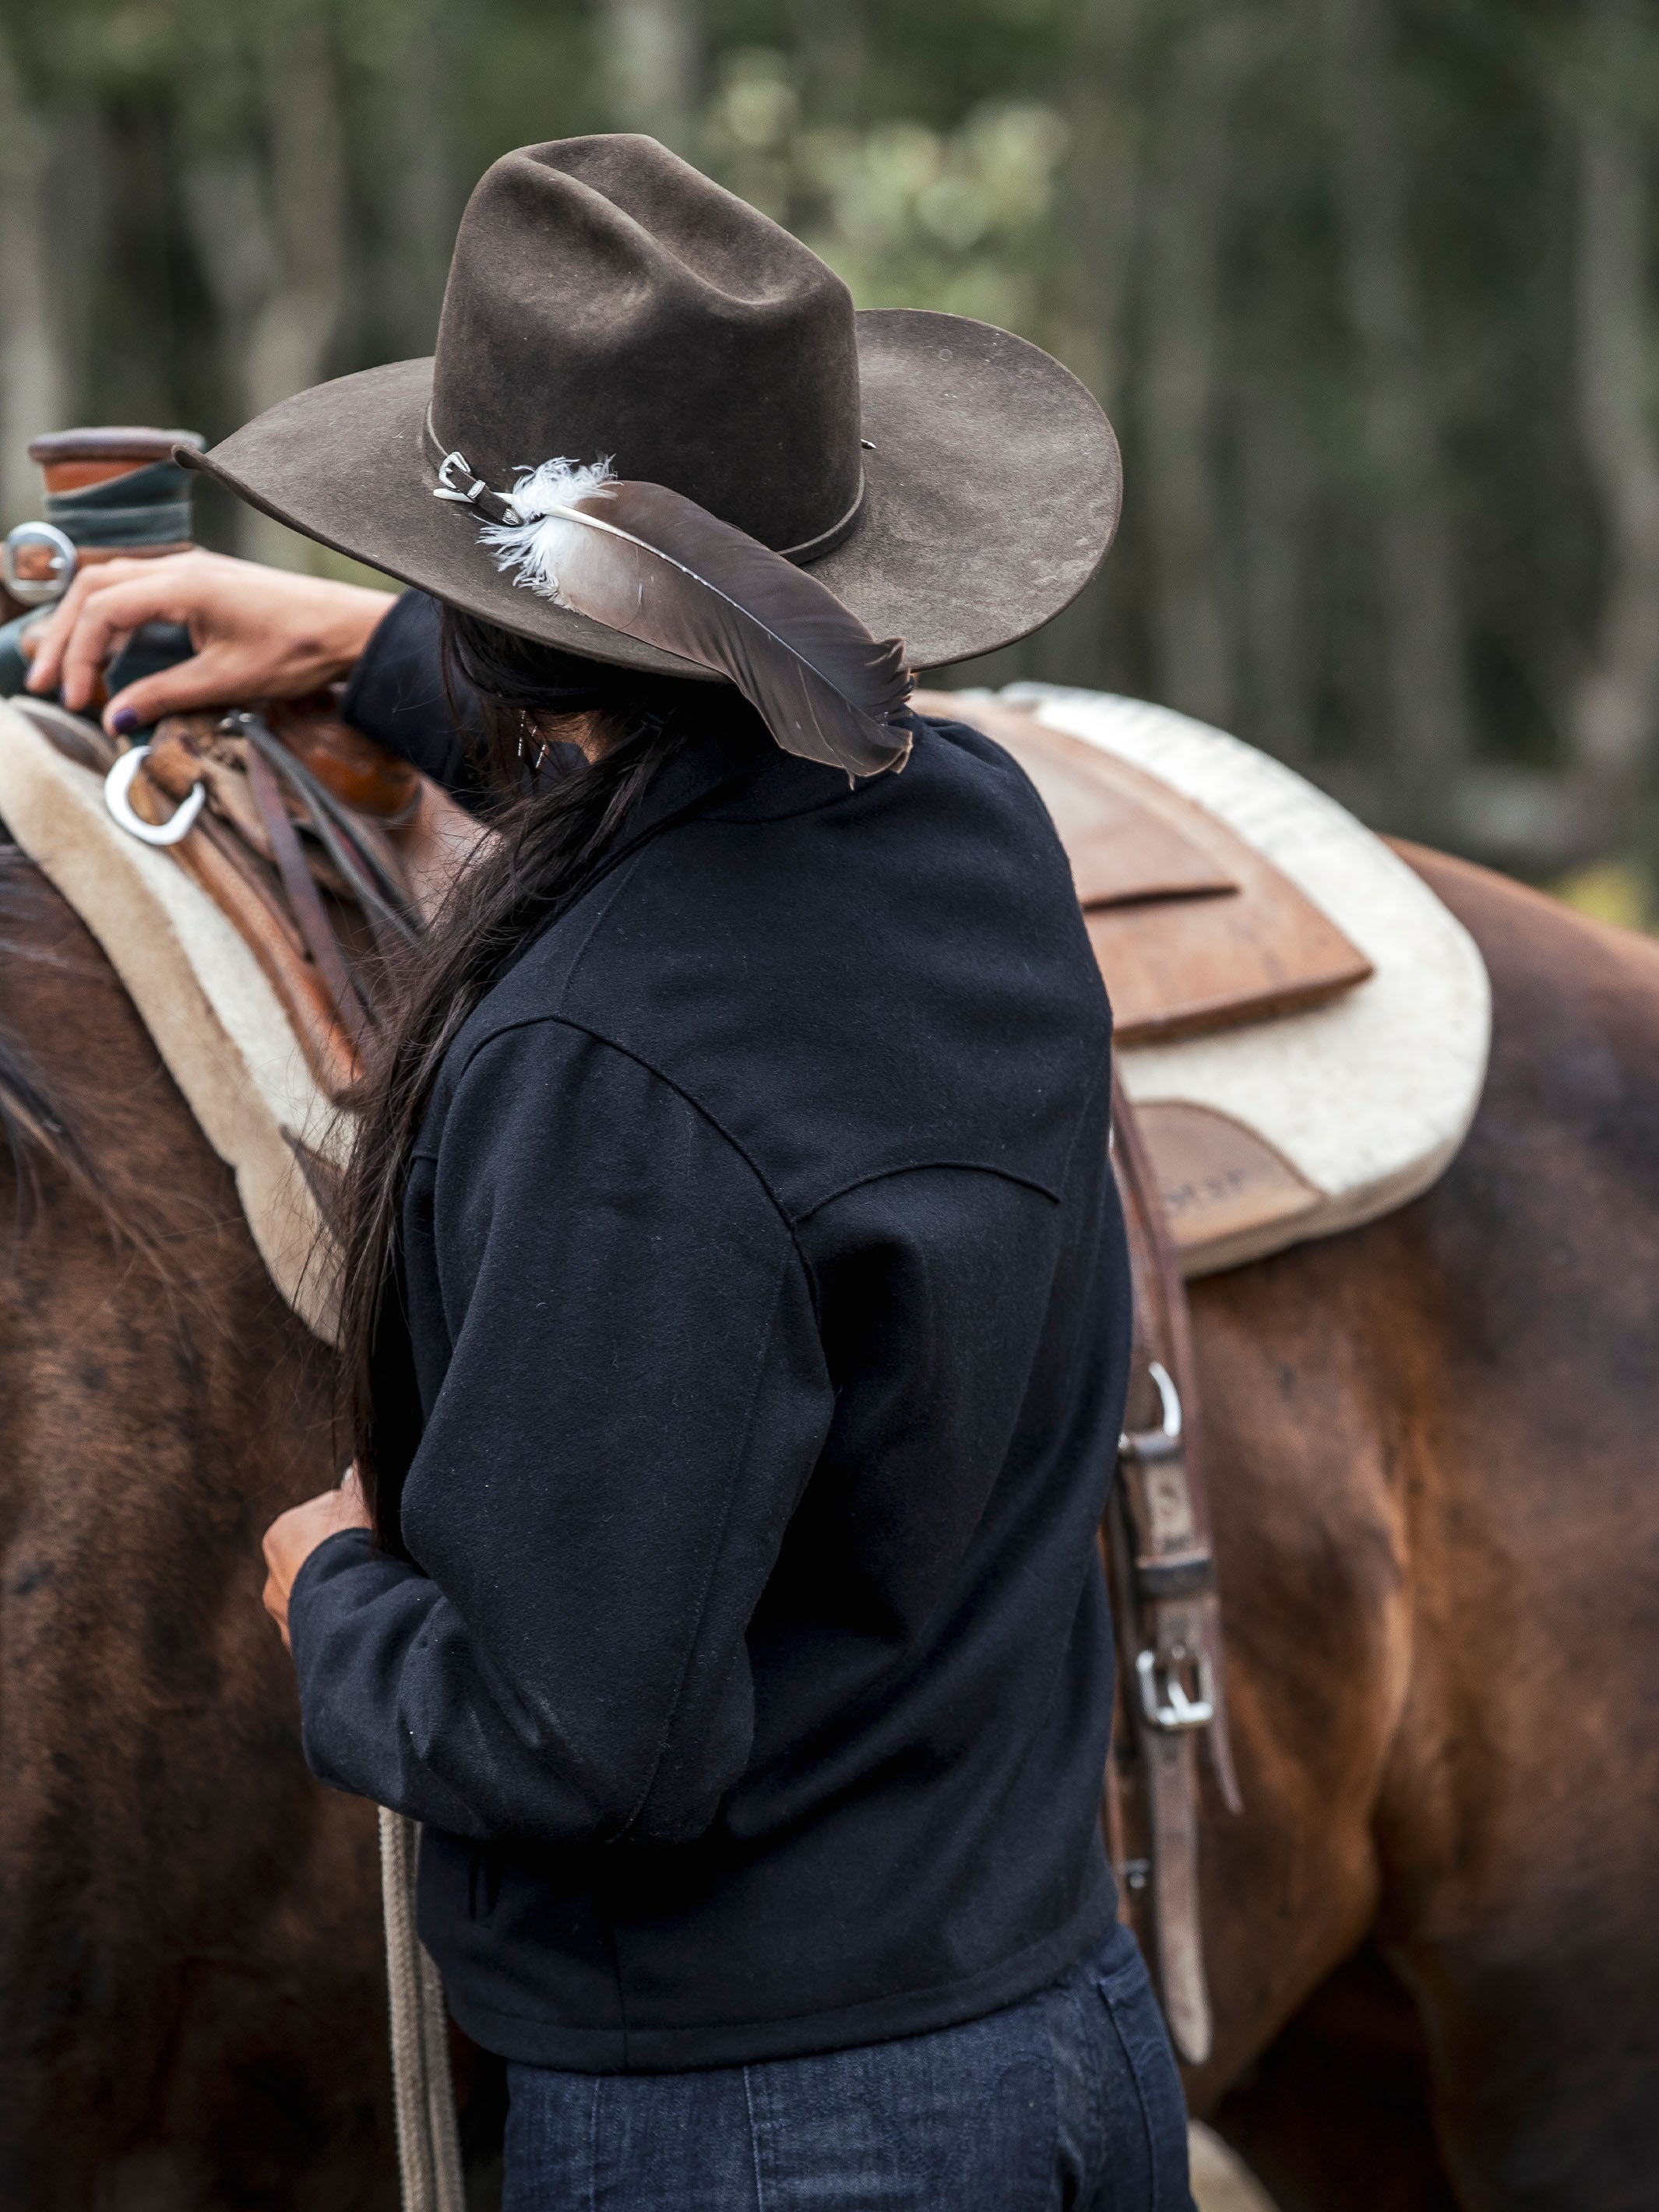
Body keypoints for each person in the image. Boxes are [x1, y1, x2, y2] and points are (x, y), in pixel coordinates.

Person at [30, 136, 1192, 2211]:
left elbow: (572, 1748)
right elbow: (704, 763)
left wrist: (336, 1595)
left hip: (762, 2134)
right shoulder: (973, 828)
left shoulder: (603, 1067)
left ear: (516, 625)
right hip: (1059, 2031)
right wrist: (370, 645)